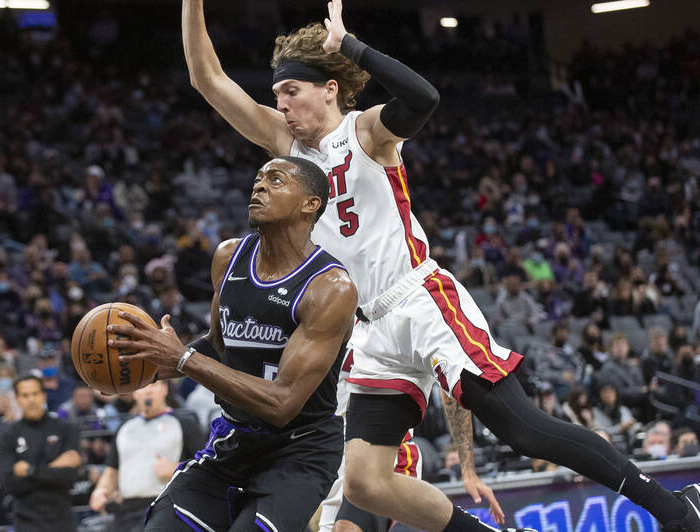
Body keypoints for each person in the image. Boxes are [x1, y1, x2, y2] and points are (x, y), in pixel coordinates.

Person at [181, 1, 700, 531]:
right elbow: (207, 78)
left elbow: (424, 98)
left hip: (419, 299)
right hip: (366, 330)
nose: (281, 104)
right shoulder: (284, 144)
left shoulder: (366, 131)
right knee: (365, 482)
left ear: (329, 88)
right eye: (276, 95)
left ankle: (676, 509)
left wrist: (352, 47)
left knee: (523, 430)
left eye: (291, 91)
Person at [108, 157, 358, 531]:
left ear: (311, 204)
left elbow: (282, 403)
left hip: (299, 450)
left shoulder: (330, 288)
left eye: (276, 180)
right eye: (258, 179)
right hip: (235, 439)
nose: (259, 186)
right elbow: (217, 346)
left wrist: (183, 358)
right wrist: (143, 367)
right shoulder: (229, 257)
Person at [89, 380, 204, 532]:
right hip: (127, 510)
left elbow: (205, 467)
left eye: (154, 385)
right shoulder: (124, 428)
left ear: (164, 389)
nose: (148, 391)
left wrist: (176, 468)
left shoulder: (184, 424)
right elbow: (112, 470)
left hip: (166, 505)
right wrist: (101, 490)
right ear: (135, 393)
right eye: (142, 387)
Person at [0, 375, 81, 532]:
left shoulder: (66, 429)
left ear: (44, 395)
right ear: (17, 399)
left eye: (35, 393)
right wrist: (54, 467)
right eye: (25, 395)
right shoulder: (7, 434)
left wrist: (29, 471)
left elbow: (70, 476)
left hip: (62, 519)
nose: (31, 400)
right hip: (26, 521)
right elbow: (10, 484)